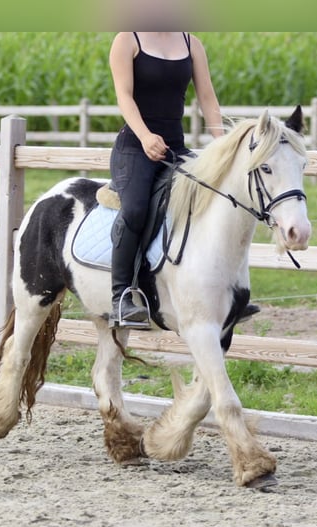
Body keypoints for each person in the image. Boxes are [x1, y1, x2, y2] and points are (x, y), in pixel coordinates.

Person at [108, 31, 259, 328]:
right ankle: (121, 296)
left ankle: (232, 292)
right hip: (136, 147)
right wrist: (145, 136)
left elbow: (207, 98)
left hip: (174, 149)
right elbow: (124, 96)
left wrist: (224, 147)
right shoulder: (127, 39)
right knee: (136, 208)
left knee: (218, 201)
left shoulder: (191, 43)